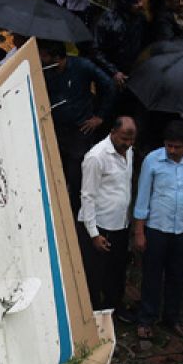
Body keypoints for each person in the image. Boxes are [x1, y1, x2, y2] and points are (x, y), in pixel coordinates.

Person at [132, 121, 183, 339]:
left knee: (178, 275)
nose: (172, 150)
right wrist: (139, 232)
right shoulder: (152, 160)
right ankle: (147, 318)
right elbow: (142, 197)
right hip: (157, 228)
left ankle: (173, 317)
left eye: (177, 147)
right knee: (151, 275)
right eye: (169, 146)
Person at [39, 40, 116, 216]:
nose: (42, 59)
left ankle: (76, 215)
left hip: (80, 131)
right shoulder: (45, 72)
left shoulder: (83, 66)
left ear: (57, 58)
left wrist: (100, 117)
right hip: (56, 130)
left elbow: (109, 85)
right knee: (56, 174)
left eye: (45, 56)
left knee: (76, 177)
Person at [79, 116, 135, 310]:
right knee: (96, 273)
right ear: (112, 133)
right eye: (124, 139)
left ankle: (114, 308)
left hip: (120, 224)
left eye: (131, 140)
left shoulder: (129, 152)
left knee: (117, 270)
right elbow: (87, 196)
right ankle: (94, 313)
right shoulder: (96, 157)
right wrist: (94, 234)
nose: (127, 144)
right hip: (100, 226)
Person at [92, 0, 147, 86]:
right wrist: (114, 72)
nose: (140, 4)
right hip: (112, 74)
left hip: (135, 70)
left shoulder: (140, 18)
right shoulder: (107, 20)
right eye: (136, 2)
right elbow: (96, 50)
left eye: (140, 1)